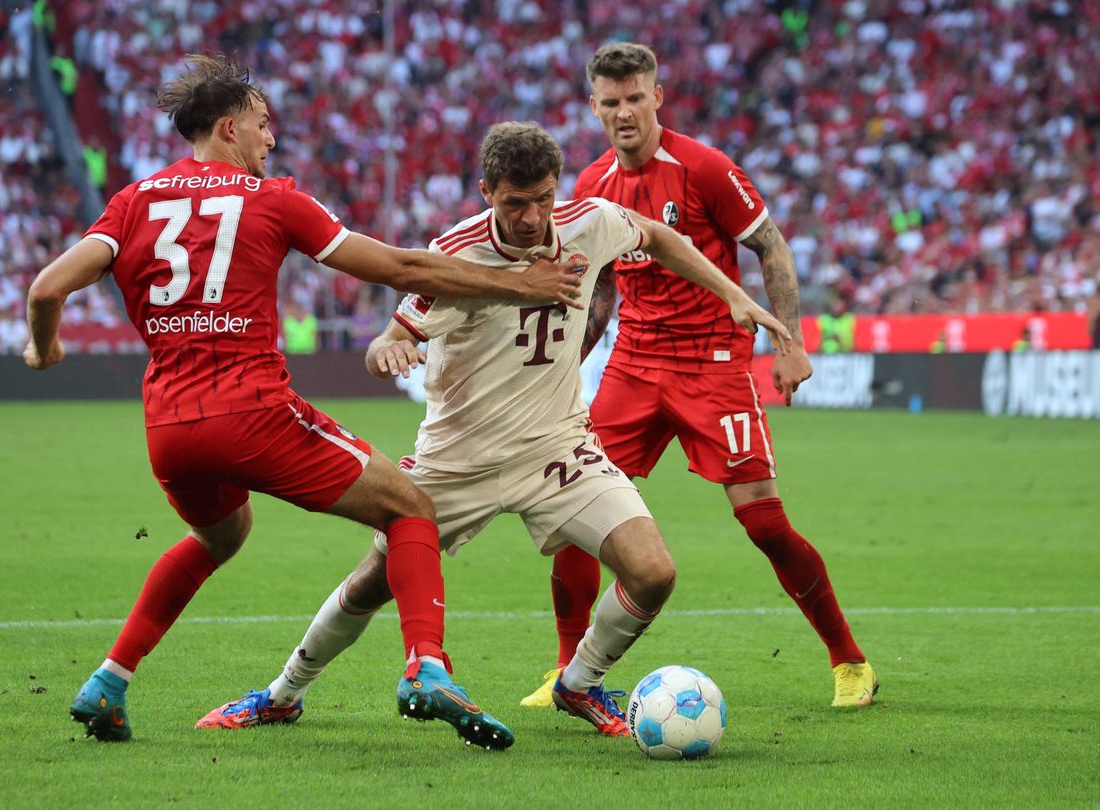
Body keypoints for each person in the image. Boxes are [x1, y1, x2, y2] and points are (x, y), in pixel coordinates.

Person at [23, 54, 587, 747]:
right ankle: (426, 668)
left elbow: (46, 289)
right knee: (411, 507)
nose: (273, 139)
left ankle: (109, 681)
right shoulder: (273, 198)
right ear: (228, 128)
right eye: (263, 125)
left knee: (219, 536)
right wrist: (523, 286)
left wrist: (44, 348)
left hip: (168, 425)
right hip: (254, 411)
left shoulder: (133, 202)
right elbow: (402, 268)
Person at [196, 122, 791, 739]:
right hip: (458, 459)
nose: (534, 217)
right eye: (515, 203)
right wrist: (389, 351)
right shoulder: (454, 253)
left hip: (557, 448)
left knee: (653, 572)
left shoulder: (588, 221)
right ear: (486, 191)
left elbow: (661, 236)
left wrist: (731, 294)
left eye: (543, 198)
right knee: (373, 584)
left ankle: (579, 683)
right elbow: (392, 337)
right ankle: (281, 693)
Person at [520, 43, 878, 711]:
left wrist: (791, 344)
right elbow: (599, 291)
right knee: (574, 516)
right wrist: (567, 363)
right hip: (632, 363)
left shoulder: (706, 167)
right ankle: (568, 672)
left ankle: (849, 660)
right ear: (593, 108)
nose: (624, 112)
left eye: (634, 98)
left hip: (714, 362)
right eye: (610, 101)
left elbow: (769, 245)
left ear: (657, 97)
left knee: (765, 523)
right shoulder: (593, 185)